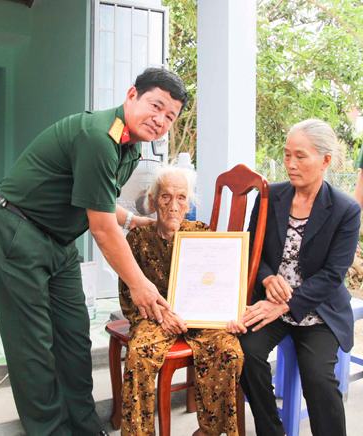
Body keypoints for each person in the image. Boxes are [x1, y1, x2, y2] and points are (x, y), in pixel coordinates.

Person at [0, 68, 188, 436]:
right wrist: (139, 285)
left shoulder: (129, 145)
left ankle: (85, 426)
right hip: (16, 230)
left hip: (58, 241)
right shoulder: (98, 137)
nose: (160, 120)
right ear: (131, 96)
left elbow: (100, 201)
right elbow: (103, 230)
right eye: (156, 106)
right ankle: (50, 430)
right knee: (34, 344)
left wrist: (134, 220)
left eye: (170, 116)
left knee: (75, 338)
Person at [227, 119, 361, 436]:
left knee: (319, 380)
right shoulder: (269, 196)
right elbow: (252, 252)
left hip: (318, 309)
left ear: (326, 160)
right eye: (287, 155)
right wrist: (267, 279)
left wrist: (285, 305)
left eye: (300, 156)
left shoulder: (346, 210)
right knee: (243, 354)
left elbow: (332, 276)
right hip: (271, 304)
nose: (290, 164)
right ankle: (271, 430)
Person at [119, 165, 244, 436]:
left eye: (181, 198)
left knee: (229, 351)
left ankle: (211, 430)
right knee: (139, 354)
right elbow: (129, 297)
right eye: (165, 197)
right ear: (152, 203)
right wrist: (161, 316)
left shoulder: (201, 233)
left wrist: (228, 315)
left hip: (200, 317)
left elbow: (221, 285)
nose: (173, 205)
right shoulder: (137, 239)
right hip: (154, 318)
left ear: (189, 204)